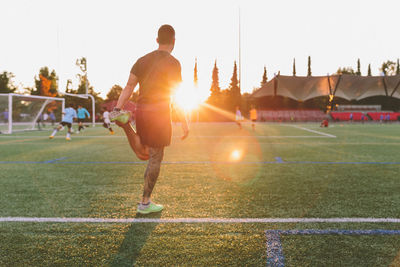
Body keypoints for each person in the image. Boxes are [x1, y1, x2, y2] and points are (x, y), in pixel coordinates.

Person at [110, 24, 188, 214]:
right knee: (155, 157)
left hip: (142, 110)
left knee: (144, 153)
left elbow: (129, 86)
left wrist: (118, 108)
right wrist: (184, 122)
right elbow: (176, 94)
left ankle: (126, 125)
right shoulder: (174, 63)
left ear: (156, 40)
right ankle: (145, 203)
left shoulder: (141, 60)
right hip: (160, 113)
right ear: (174, 41)